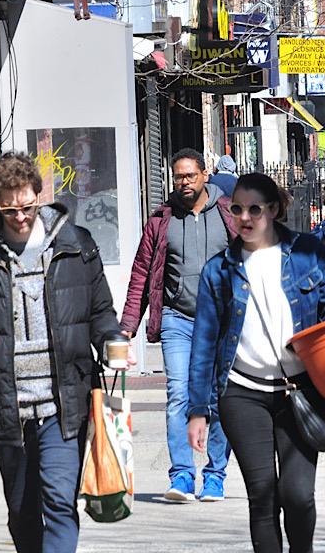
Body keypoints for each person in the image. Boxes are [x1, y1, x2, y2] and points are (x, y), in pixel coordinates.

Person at [187, 173, 325, 553]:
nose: (244, 218)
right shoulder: (219, 270)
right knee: (262, 497)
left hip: (301, 390)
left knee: (297, 495)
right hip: (242, 394)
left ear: (275, 210)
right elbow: (204, 343)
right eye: (237, 209)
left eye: (254, 209)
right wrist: (197, 410)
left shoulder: (308, 252)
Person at [0, 152, 130, 553]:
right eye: (9, 209)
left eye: (26, 206)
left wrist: (113, 345)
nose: (20, 216)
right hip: (5, 404)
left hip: (64, 401)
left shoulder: (75, 244)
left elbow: (99, 312)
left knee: (60, 502)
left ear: (39, 196)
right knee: (23, 512)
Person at [121, 148, 235, 502]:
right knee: (178, 396)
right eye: (178, 177)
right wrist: (127, 325)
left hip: (221, 322)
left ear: (205, 175)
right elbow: (142, 272)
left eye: (190, 175)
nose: (184, 182)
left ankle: (214, 475)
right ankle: (182, 476)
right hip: (177, 318)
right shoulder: (162, 219)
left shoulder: (229, 213)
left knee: (218, 397)